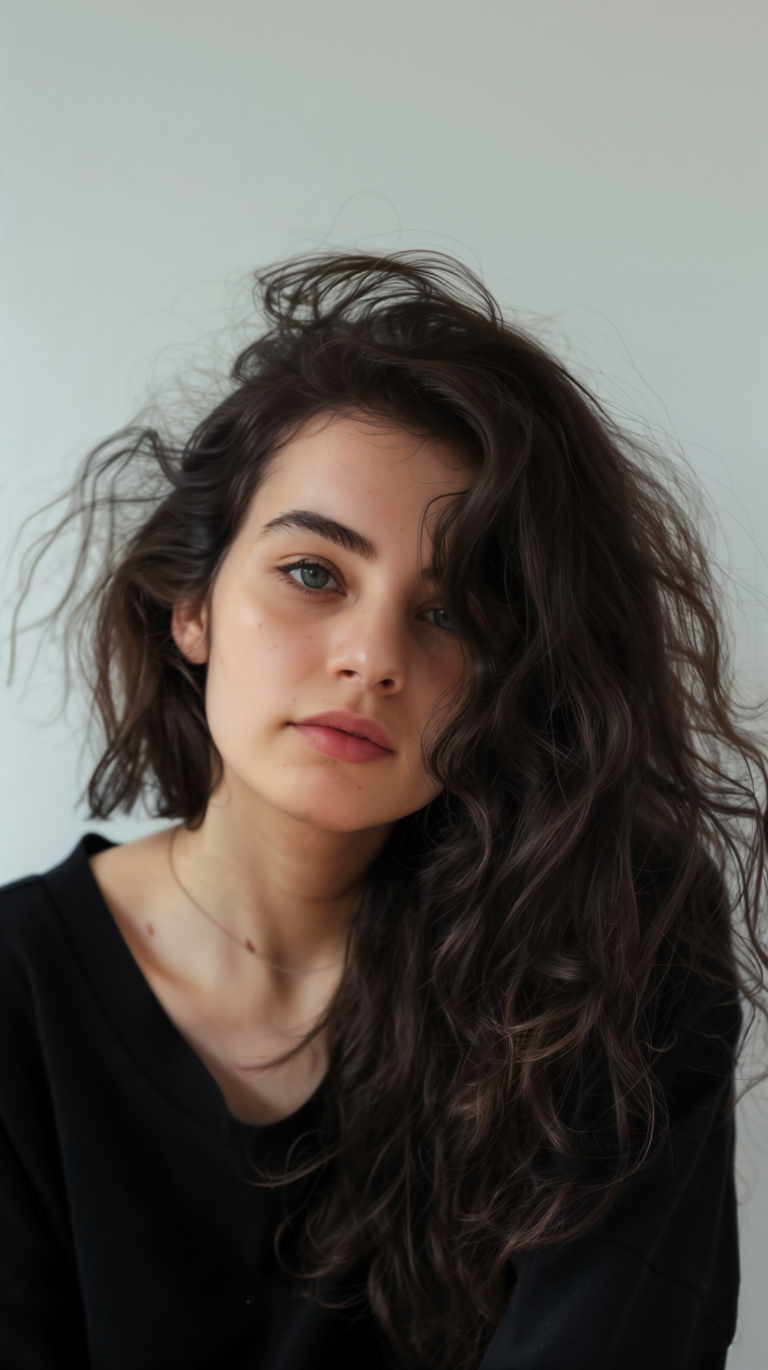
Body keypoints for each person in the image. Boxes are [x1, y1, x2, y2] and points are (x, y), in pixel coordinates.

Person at [1, 252, 765, 1370]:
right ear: (192, 607)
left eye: (452, 609)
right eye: (314, 572)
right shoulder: (20, 1001)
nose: (373, 658)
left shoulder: (602, 959)